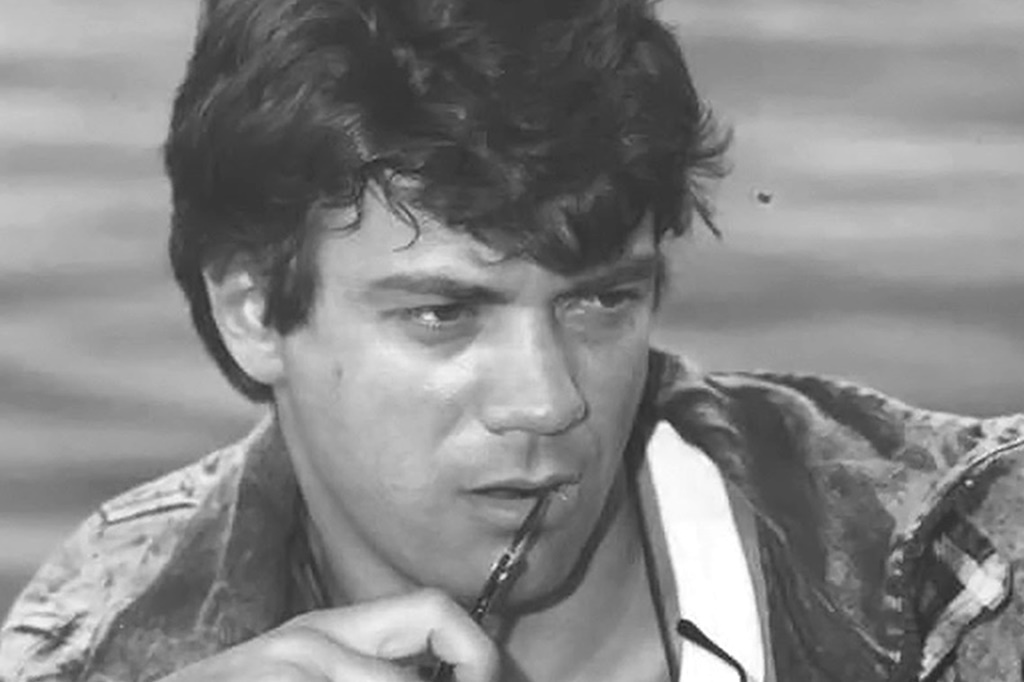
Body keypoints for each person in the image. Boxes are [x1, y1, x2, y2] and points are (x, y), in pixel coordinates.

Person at [2, 0, 1023, 680]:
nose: (547, 400)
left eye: (600, 302)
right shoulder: (91, 649)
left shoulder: (973, 568)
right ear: (254, 310)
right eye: (443, 314)